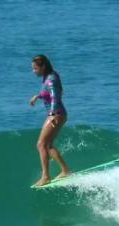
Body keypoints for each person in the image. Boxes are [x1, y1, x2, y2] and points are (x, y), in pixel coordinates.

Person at [29, 55, 71, 187]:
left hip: (56, 114)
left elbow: (55, 97)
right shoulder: (49, 77)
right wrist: (38, 96)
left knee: (41, 144)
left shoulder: (51, 79)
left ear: (43, 66)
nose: (33, 71)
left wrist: (52, 113)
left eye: (35, 68)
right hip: (58, 113)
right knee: (48, 145)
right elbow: (49, 92)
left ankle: (46, 176)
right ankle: (65, 171)